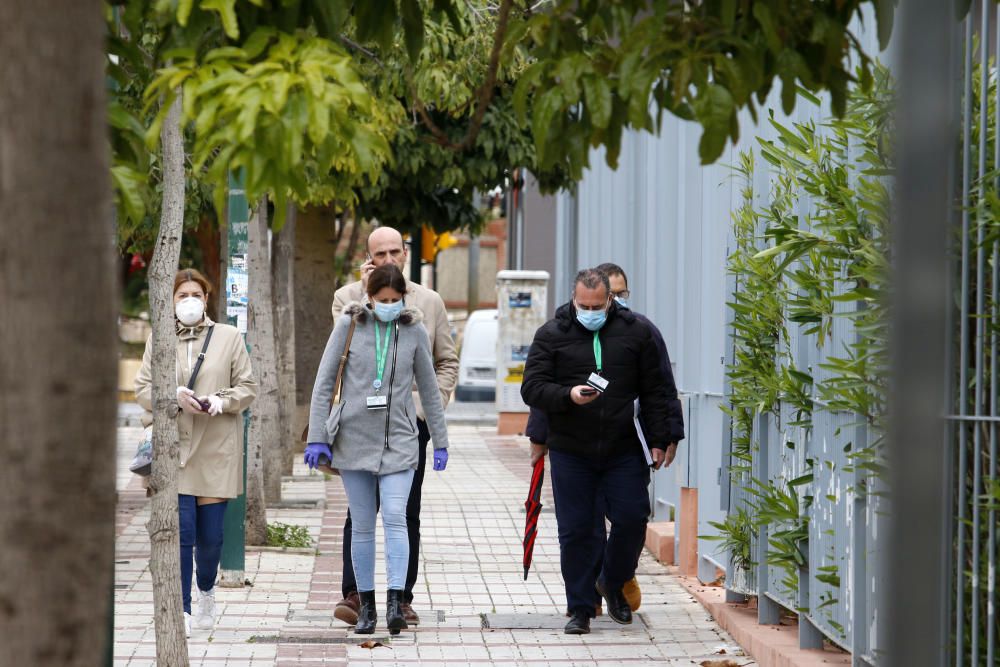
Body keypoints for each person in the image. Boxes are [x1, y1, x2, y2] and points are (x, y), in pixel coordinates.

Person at [525, 262, 685, 619]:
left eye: (599, 307)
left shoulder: (637, 332)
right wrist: (567, 395)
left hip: (622, 446)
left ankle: (613, 579)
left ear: (610, 300)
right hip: (571, 449)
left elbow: (657, 389)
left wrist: (663, 437)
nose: (591, 314)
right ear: (574, 299)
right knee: (577, 530)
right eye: (585, 307)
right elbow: (532, 388)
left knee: (632, 517)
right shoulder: (552, 334)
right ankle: (581, 609)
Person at [305, 264, 451, 635]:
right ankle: (366, 606)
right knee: (364, 525)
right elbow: (324, 383)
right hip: (354, 441)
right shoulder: (349, 325)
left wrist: (441, 440)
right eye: (381, 300)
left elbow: (430, 389)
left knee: (396, 519)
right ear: (368, 298)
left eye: (395, 299)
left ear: (403, 297)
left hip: (400, 441)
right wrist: (317, 437)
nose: (388, 305)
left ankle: (395, 604)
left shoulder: (413, 329)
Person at [134, 268, 257, 638]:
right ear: (171, 301)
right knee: (181, 533)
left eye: (195, 294)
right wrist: (171, 396)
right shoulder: (160, 338)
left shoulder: (229, 336)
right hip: (174, 448)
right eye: (181, 295)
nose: (189, 300)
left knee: (211, 538)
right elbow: (142, 387)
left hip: (216, 446)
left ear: (207, 298)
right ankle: (183, 609)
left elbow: (248, 385)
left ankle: (206, 591)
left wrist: (221, 401)